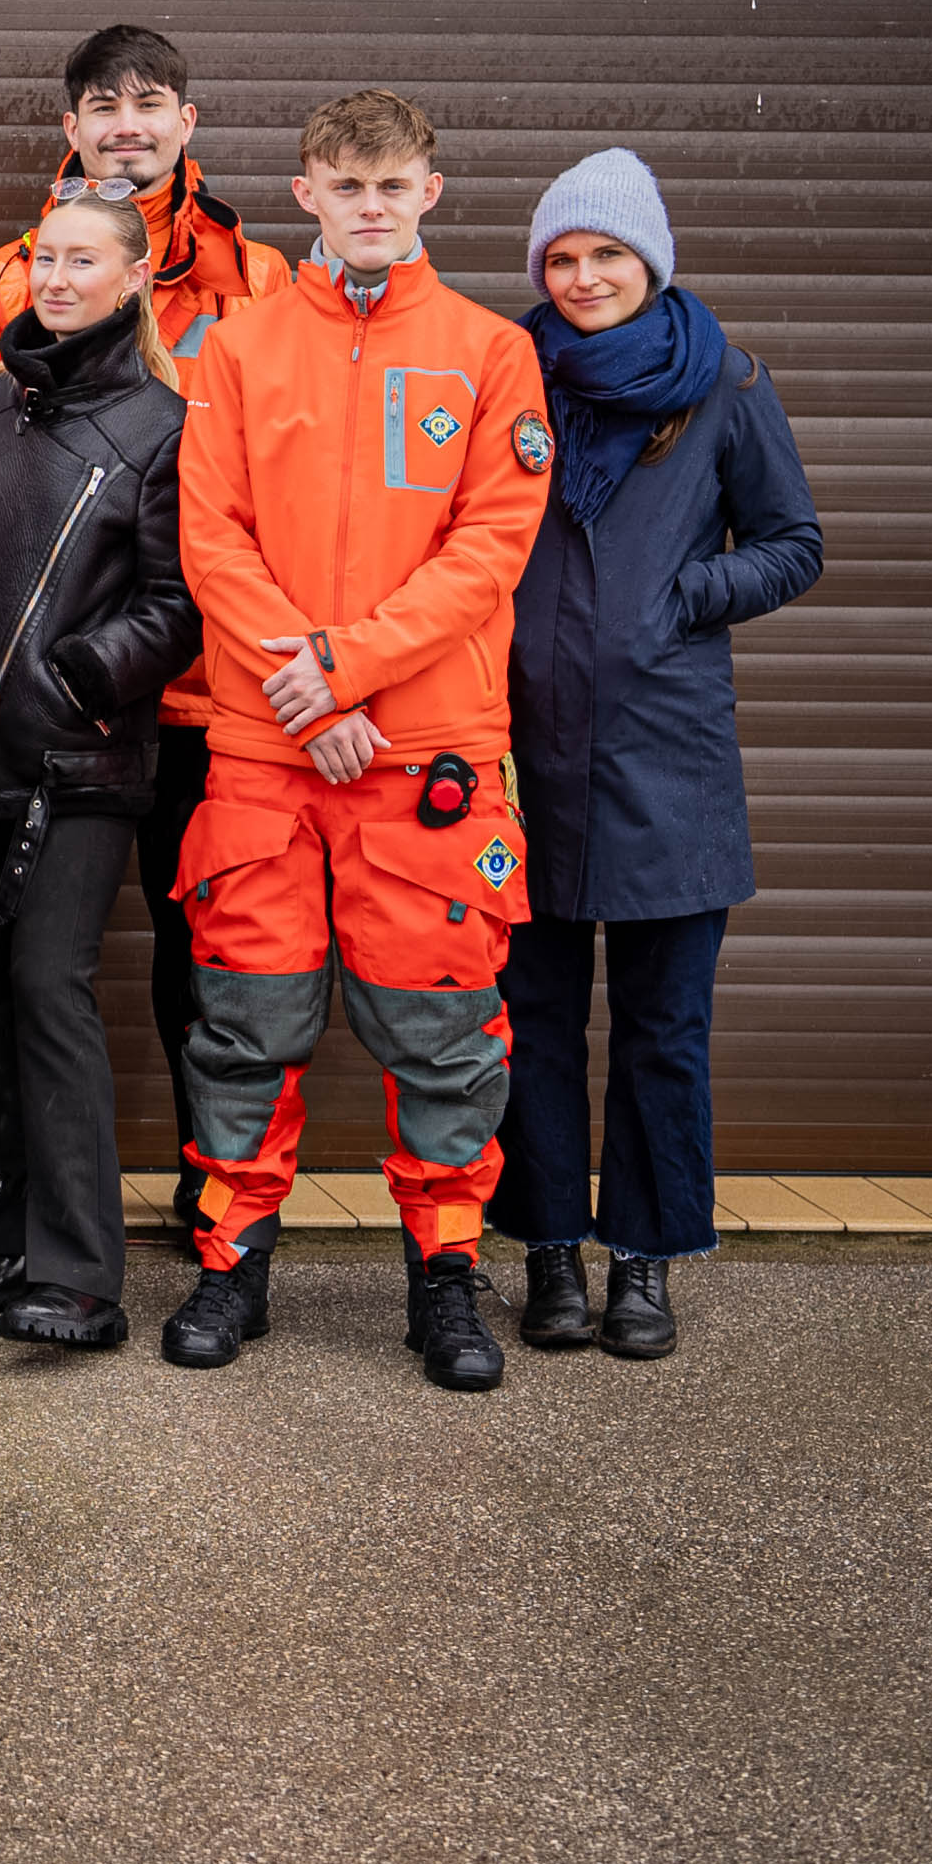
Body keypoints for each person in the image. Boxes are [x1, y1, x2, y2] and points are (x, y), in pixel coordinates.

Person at [160, 90, 551, 1394]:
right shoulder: (236, 345)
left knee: (443, 1029)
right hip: (270, 749)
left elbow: (487, 548)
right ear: (306, 194)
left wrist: (344, 671)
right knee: (242, 1020)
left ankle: (444, 1276)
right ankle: (230, 1263)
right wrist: (311, 696)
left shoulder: (490, 351)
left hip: (424, 750)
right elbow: (208, 534)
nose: (368, 207)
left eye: (390, 186)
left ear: (428, 191)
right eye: (345, 185)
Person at [0, 27, 292, 1263]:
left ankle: (214, 1188)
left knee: (202, 958)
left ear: (186, 121)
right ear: (70, 128)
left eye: (147, 102)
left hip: (202, 699)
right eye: (100, 105)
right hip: (45, 708)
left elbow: (279, 483)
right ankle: (10, 1186)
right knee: (14, 961)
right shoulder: (3, 276)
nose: (124, 123)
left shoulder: (259, 282)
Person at [497, 152, 822, 1362]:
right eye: (560, 258)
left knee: (660, 1026)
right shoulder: (504, 373)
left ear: (650, 261)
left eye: (605, 255)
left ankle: (642, 1255)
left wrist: (684, 595)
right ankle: (547, 1248)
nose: (581, 278)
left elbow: (792, 540)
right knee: (527, 1018)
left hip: (666, 757)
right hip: (519, 751)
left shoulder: (724, 382)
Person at [0, 184, 202, 1351]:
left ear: (134, 277)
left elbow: (179, 605)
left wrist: (80, 675)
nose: (55, 277)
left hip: (81, 760)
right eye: (45, 256)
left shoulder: (162, 422)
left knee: (48, 983)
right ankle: (18, 1239)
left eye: (84, 260)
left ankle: (82, 1279)